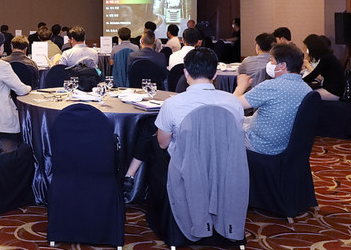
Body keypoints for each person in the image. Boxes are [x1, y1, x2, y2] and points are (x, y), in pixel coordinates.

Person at [124, 47, 244, 179]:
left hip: (183, 168)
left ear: (186, 73)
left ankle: (135, 180)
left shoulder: (172, 104)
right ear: (215, 74)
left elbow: (163, 144)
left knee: (151, 133)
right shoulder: (234, 102)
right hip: (223, 167)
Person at [233, 43, 312, 155]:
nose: (269, 64)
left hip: (261, 144)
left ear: (282, 66)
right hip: (287, 144)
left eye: (272, 61)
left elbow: (233, 104)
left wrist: (240, 87)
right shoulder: (306, 89)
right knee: (243, 119)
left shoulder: (271, 86)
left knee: (225, 127)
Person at [302, 34, 345, 101]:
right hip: (333, 90)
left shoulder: (326, 58)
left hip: (333, 93)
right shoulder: (328, 57)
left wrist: (299, 81)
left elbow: (313, 75)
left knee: (305, 95)